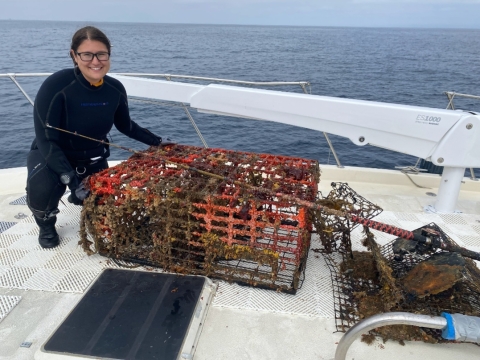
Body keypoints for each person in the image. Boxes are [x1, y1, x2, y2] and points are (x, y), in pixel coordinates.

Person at [26, 26, 166, 249]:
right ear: (74, 55)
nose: (95, 61)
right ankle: (46, 224)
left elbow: (126, 126)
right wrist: (71, 180)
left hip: (92, 158)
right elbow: (45, 139)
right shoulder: (56, 86)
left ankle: (82, 200)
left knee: (109, 211)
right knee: (41, 193)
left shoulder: (114, 89)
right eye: (87, 54)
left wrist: (158, 142)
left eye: (101, 54)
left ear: (109, 55)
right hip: (52, 156)